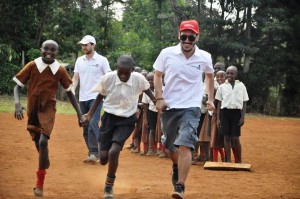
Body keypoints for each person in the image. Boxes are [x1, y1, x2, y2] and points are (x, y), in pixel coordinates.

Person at [13, 40, 83, 197]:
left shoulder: (60, 69)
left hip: (48, 108)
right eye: (46, 49)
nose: (49, 52)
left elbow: (70, 93)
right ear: (41, 49)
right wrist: (18, 104)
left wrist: (79, 114)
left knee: (44, 141)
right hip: (32, 107)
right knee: (37, 141)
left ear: (57, 52)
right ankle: (44, 157)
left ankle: (40, 184)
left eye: (53, 50)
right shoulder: (32, 65)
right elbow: (17, 87)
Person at [153, 20, 215, 199]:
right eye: (184, 36)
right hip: (170, 105)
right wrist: (159, 98)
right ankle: (176, 165)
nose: (187, 40)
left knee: (186, 144)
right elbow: (157, 75)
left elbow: (210, 77)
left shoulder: (204, 56)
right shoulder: (167, 53)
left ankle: (180, 185)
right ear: (179, 35)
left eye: (191, 36)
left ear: (197, 37)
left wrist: (210, 99)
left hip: (192, 106)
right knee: (170, 146)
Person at [82, 55, 156, 199]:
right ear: (116, 69)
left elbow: (148, 91)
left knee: (114, 151)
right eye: (120, 72)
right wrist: (89, 114)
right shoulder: (108, 78)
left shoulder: (139, 79)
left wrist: (157, 102)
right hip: (109, 118)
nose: (122, 75)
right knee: (103, 158)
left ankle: (108, 186)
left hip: (127, 120)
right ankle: (104, 149)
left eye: (126, 73)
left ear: (132, 70)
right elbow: (100, 96)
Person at [72, 35, 111, 163]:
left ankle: (95, 153)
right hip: (82, 97)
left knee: (93, 124)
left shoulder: (102, 60)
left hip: (96, 97)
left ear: (93, 45)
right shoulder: (79, 60)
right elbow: (76, 77)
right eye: (82, 45)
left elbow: (109, 77)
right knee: (85, 125)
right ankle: (95, 152)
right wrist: (72, 89)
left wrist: (107, 93)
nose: (84, 47)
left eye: (86, 45)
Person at [215, 66, 249, 163]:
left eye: (232, 73)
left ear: (236, 74)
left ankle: (239, 161)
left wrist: (242, 117)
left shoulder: (241, 86)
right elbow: (219, 103)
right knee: (226, 137)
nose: (229, 75)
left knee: (235, 138)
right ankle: (228, 161)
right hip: (225, 113)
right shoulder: (222, 87)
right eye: (228, 73)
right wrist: (218, 118)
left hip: (236, 114)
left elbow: (244, 102)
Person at [142, 72, 158, 156]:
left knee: (161, 131)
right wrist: (146, 118)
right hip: (151, 112)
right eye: (149, 80)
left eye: (152, 79)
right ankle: (151, 149)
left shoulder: (161, 89)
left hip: (160, 113)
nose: (151, 81)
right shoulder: (146, 92)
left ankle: (161, 150)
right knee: (152, 130)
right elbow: (145, 105)